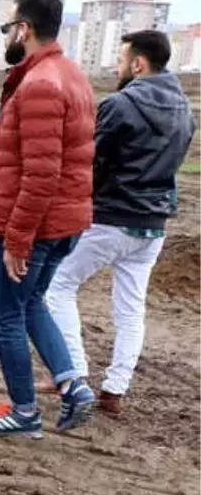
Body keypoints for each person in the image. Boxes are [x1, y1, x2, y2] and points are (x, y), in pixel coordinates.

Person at [0, 0, 96, 437]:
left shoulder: (41, 84)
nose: (6, 36)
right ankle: (72, 385)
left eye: (8, 26)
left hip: (34, 222)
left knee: (5, 313)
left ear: (25, 29)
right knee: (32, 303)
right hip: (64, 220)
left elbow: (41, 174)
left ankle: (24, 412)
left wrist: (17, 238)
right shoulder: (71, 74)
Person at [44, 30, 195, 417]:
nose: (117, 65)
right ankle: (114, 390)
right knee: (131, 309)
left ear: (139, 64)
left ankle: (72, 375)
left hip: (111, 220)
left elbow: (90, 164)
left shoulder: (120, 104)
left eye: (122, 58)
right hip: (154, 224)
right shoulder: (184, 109)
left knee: (57, 286)